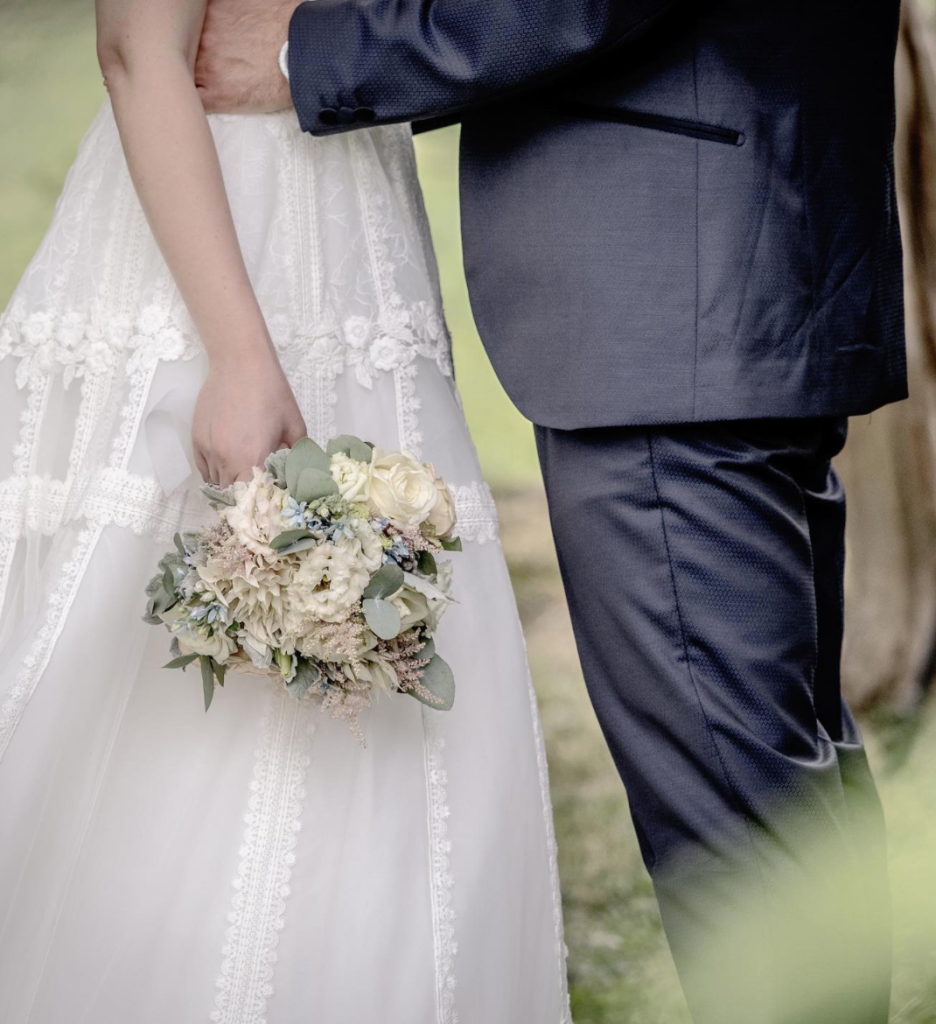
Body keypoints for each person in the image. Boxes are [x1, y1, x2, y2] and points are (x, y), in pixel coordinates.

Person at [193, 1, 905, 1021]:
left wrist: (321, 49)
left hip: (675, 302)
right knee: (787, 781)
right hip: (746, 256)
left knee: (747, 831)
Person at [0, 1, 571, 1021]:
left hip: (354, 230)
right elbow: (139, 52)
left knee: (387, 673)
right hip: (220, 241)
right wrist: (240, 357)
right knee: (157, 668)